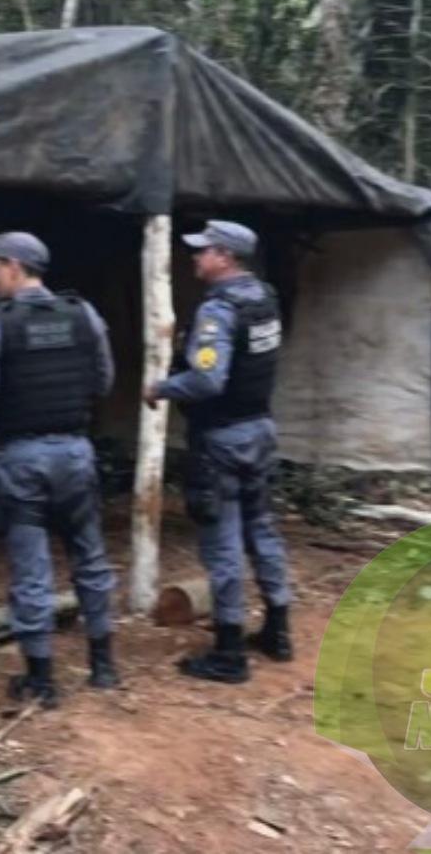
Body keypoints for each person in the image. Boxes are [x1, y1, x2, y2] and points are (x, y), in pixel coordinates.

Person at [0, 231, 119, 707]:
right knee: (90, 558)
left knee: (32, 569)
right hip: (76, 454)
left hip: (22, 460)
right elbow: (104, 381)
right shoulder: (84, 314)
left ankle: (41, 681)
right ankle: (103, 666)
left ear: (14, 267)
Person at [145, 220, 294, 683]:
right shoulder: (264, 299)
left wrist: (161, 388)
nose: (196, 256)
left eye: (203, 251)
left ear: (225, 257)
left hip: (223, 440)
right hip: (260, 431)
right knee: (262, 531)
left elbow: (209, 379)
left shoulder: (219, 311)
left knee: (223, 541)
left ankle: (229, 652)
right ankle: (278, 630)